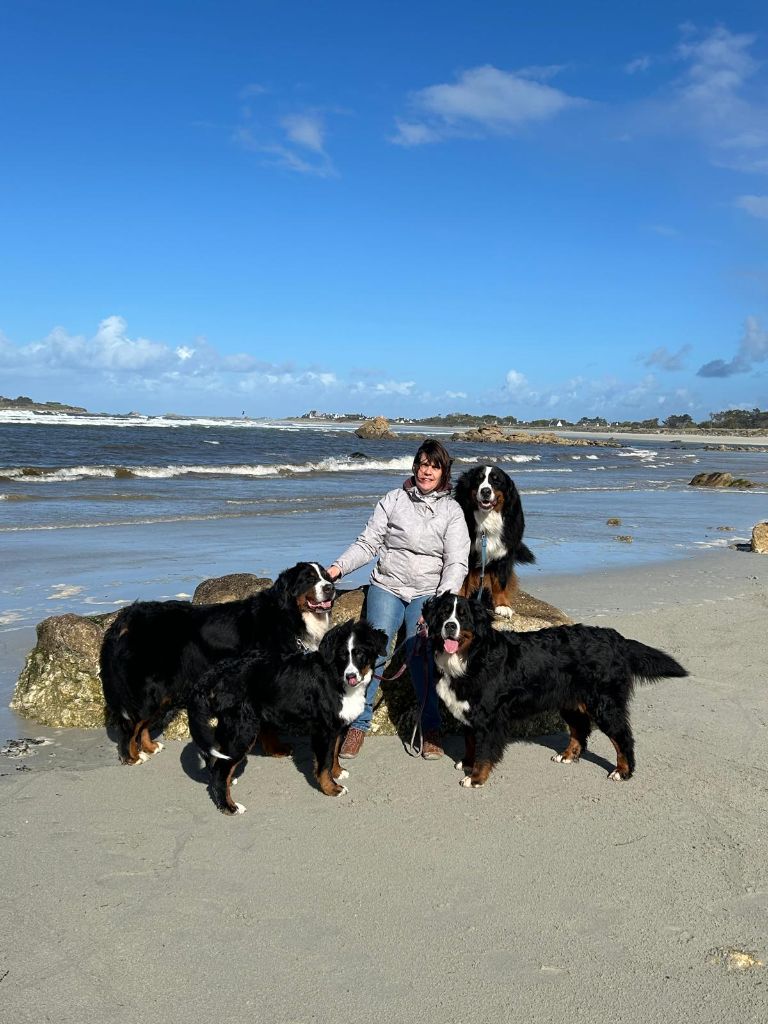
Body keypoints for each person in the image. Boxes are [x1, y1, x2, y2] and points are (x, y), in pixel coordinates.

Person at [326, 438, 470, 760]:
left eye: (433, 466)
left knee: (421, 654)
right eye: (422, 464)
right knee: (375, 648)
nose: (426, 471)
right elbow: (368, 543)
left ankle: (431, 728)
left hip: (428, 592)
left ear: (443, 472)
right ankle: (359, 724)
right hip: (388, 585)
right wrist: (337, 569)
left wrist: (440, 603)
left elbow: (456, 562)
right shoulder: (393, 499)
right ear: (414, 467)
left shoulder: (452, 511)